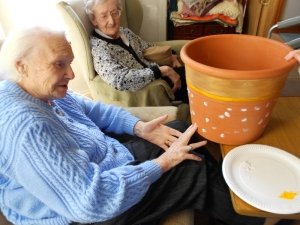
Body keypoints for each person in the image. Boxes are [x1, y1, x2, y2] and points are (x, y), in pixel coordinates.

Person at [0, 25, 284, 225]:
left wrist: (139, 127)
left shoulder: (39, 88)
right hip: (81, 213)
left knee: (177, 128)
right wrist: (161, 165)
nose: (71, 73)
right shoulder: (27, 127)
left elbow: (91, 109)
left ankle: (231, 194)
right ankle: (260, 218)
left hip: (99, 165)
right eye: (59, 64)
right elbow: (90, 200)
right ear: (21, 65)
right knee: (190, 167)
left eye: (70, 63)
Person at [84, 0, 189, 103]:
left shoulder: (124, 32)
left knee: (197, 74)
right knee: (199, 89)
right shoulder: (98, 48)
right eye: (103, 16)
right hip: (153, 87)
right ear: (93, 20)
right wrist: (161, 71)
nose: (111, 21)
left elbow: (147, 47)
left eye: (114, 13)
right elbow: (118, 79)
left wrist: (172, 56)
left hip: (163, 75)